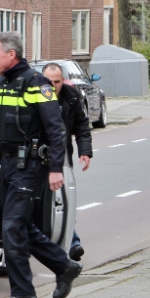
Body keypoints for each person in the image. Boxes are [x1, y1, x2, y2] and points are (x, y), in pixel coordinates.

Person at [0, 32, 82, 298]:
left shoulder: (37, 84)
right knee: (20, 226)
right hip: (8, 166)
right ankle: (64, 266)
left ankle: (24, 294)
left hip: (30, 166)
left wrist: (56, 168)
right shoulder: (1, 84)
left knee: (11, 228)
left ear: (12, 55)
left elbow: (56, 129)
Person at [41, 62, 93, 261]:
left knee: (63, 200)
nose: (53, 86)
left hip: (62, 157)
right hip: (38, 157)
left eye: (57, 81)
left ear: (63, 80)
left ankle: (72, 242)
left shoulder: (71, 97)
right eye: (49, 82)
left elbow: (81, 125)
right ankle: (66, 242)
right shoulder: (34, 95)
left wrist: (85, 151)